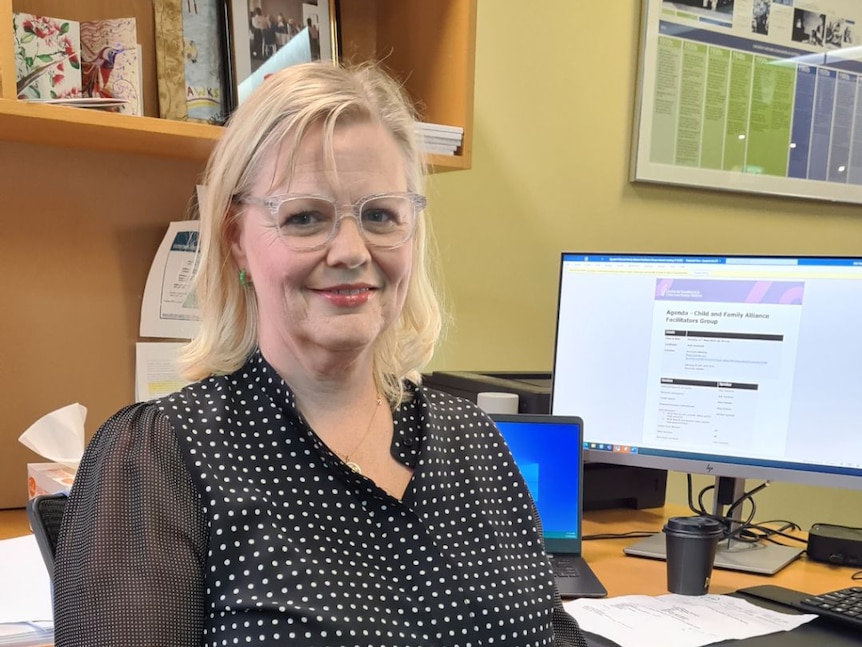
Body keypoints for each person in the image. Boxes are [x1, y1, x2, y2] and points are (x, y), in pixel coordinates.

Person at [52, 62, 588, 646]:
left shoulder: (475, 442)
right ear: (236, 240)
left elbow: (551, 633)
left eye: (381, 215)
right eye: (305, 217)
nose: (351, 250)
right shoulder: (159, 458)